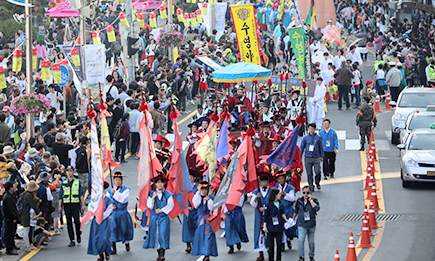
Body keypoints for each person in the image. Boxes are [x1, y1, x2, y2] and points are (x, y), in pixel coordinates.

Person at [143, 170, 174, 260]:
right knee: (155, 235)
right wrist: (152, 198)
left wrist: (161, 210)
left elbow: (170, 205)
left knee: (163, 234)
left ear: (164, 184)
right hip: (154, 218)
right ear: (155, 184)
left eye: (161, 182)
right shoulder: (152, 194)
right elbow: (149, 206)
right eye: (158, 182)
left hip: (163, 218)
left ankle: (162, 254)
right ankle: (159, 253)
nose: (160, 184)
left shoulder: (168, 194)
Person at [58, 166, 85, 247]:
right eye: (67, 171)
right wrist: (59, 206)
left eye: (70, 171)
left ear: (73, 172)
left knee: (77, 221)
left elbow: (81, 194)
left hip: (75, 204)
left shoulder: (77, 182)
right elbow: (60, 195)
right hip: (67, 205)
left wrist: (83, 204)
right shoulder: (63, 182)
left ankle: (78, 234)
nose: (69, 173)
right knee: (69, 222)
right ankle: (72, 240)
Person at [108, 171, 134, 254]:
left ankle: (127, 243)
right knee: (113, 230)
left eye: (119, 180)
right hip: (113, 214)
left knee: (125, 229)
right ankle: (114, 248)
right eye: (116, 180)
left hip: (122, 213)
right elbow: (107, 202)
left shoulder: (126, 189)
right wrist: (111, 207)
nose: (118, 181)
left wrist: (115, 193)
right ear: (113, 181)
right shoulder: (109, 191)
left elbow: (123, 199)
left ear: (122, 181)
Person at [250, 169, 273, 261]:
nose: (263, 183)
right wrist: (256, 198)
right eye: (262, 181)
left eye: (265, 181)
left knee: (268, 233)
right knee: (259, 233)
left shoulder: (271, 191)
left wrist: (266, 209)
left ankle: (269, 251)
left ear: (267, 182)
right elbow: (252, 204)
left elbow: (274, 203)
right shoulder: (256, 192)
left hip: (268, 215)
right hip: (259, 216)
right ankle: (261, 253)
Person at [191, 181, 218, 261]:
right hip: (200, 219)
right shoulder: (198, 197)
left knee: (208, 236)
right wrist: (198, 193)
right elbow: (195, 205)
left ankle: (207, 254)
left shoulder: (212, 198)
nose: (204, 191)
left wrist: (209, 200)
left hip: (209, 219)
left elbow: (213, 208)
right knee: (200, 236)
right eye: (202, 190)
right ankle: (202, 251)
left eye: (205, 189)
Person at [263, 188, 290, 261]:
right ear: (275, 195)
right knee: (271, 246)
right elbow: (265, 216)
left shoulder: (280, 203)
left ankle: (278, 259)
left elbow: (282, 213)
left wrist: (286, 220)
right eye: (279, 194)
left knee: (279, 245)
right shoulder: (269, 204)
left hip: (279, 227)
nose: (280, 195)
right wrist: (264, 226)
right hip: (270, 227)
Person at [293, 185, 320, 261]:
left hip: (311, 225)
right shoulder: (299, 201)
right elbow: (296, 211)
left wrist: (311, 200)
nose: (305, 194)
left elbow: (317, 208)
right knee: (301, 240)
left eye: (307, 192)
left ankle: (311, 255)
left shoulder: (314, 200)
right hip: (302, 224)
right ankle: (301, 257)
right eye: (304, 192)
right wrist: (293, 218)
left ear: (310, 193)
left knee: (311, 242)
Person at [87, 182, 113, 261]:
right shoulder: (93, 200)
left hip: (104, 221)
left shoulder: (107, 199)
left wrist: (102, 215)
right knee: (97, 238)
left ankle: (107, 252)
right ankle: (101, 255)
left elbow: (109, 209)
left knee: (105, 238)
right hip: (96, 222)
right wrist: (96, 214)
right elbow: (90, 208)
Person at [273, 169, 296, 250]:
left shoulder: (290, 188)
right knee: (280, 227)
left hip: (288, 209)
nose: (281, 180)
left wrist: (285, 194)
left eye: (282, 178)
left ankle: (288, 240)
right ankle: (282, 243)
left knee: (289, 227)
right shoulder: (275, 188)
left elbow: (292, 198)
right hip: (279, 210)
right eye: (279, 179)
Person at [299, 123, 324, 191]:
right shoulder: (305, 138)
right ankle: (311, 185)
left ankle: (317, 182)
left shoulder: (318, 138)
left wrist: (321, 156)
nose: (311, 130)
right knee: (309, 173)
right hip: (308, 157)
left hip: (316, 157)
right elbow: (302, 147)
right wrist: (299, 156)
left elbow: (321, 147)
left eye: (312, 129)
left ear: (315, 129)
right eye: (310, 129)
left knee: (318, 171)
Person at [182, 171, 198, 253]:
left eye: (191, 177)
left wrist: (194, 206)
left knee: (195, 227)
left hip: (195, 211)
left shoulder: (197, 188)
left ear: (193, 178)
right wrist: (187, 207)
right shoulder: (184, 188)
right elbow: (182, 199)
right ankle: (188, 244)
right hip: (187, 210)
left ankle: (195, 242)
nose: (189, 178)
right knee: (187, 228)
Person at [2, 181, 19, 255]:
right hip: (10, 219)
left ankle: (12, 245)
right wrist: (14, 217)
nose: (14, 188)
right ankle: (9, 249)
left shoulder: (9, 195)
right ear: (10, 188)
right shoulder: (8, 197)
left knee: (12, 232)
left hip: (9, 218)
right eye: (13, 187)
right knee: (10, 233)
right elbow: (10, 209)